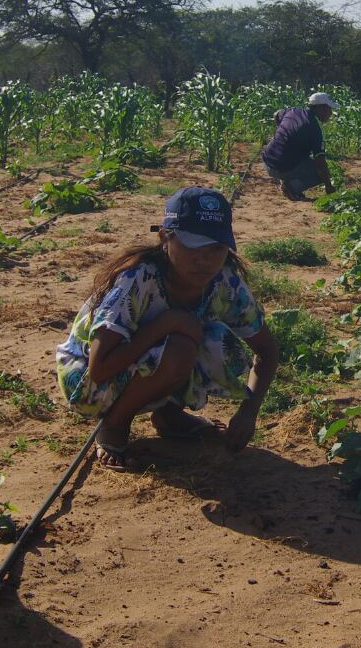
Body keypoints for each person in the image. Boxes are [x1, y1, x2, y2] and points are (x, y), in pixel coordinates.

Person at [55, 187, 280, 470]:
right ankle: (114, 426)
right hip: (87, 379)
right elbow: (99, 368)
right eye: (192, 247)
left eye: (216, 249)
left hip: (146, 360)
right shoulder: (137, 279)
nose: (204, 260)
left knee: (215, 341)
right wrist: (168, 323)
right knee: (180, 346)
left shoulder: (226, 282)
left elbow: (267, 350)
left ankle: (168, 414)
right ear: (165, 237)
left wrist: (248, 413)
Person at [262, 92, 336, 201]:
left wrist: (283, 135)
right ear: (320, 108)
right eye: (329, 109)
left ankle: (285, 180)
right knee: (322, 173)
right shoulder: (315, 129)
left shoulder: (294, 111)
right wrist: (328, 186)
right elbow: (320, 163)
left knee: (301, 158)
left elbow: (276, 114)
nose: (331, 113)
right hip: (280, 167)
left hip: (268, 161)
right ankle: (291, 188)